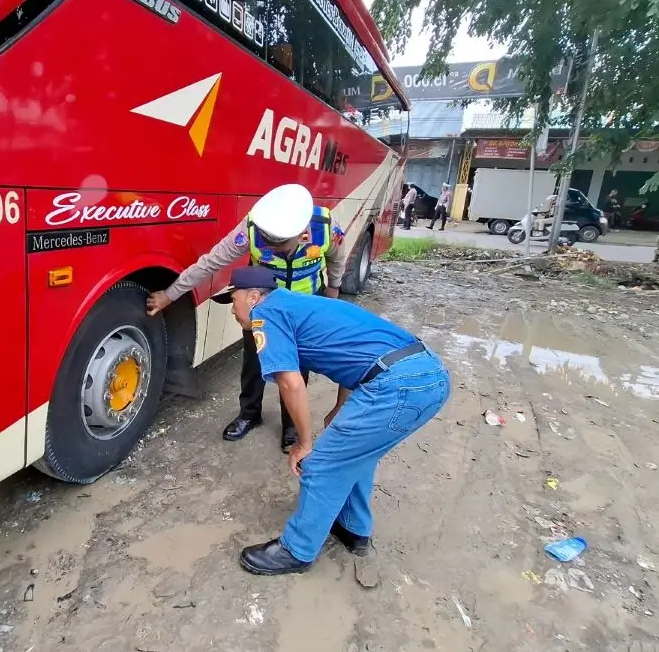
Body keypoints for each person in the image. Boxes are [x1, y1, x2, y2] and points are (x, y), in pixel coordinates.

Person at [210, 267, 450, 575]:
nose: (233, 310)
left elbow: (290, 383)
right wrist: (341, 405)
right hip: (426, 374)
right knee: (354, 455)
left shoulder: (265, 314)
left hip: (397, 385)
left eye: (233, 301)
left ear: (253, 297)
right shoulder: (304, 304)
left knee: (321, 465)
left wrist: (304, 443)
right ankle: (353, 529)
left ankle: (296, 550)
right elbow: (358, 353)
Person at [146, 184, 347, 452]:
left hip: (304, 307)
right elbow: (210, 262)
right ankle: (249, 414)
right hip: (262, 307)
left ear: (301, 231)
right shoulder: (252, 228)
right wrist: (170, 294)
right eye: (269, 244)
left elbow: (337, 259)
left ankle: (291, 424)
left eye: (281, 245)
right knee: (254, 362)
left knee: (297, 367)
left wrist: (333, 289)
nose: (273, 249)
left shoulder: (325, 226)